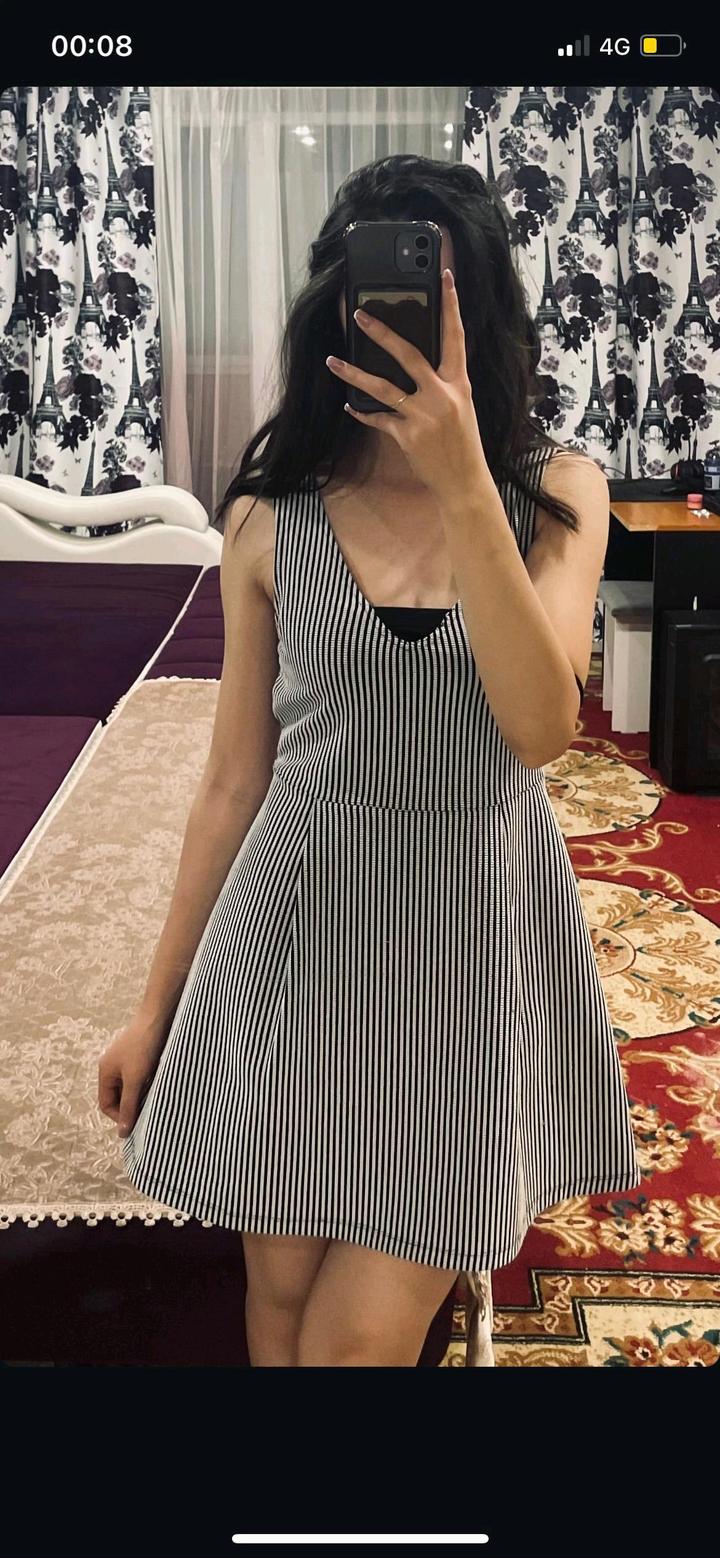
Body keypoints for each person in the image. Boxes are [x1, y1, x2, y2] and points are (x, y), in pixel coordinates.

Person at [98, 154, 641, 1367]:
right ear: (335, 311)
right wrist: (155, 1008)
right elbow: (234, 783)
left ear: (481, 318)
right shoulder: (269, 514)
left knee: (354, 1344)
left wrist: (463, 483)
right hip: (296, 940)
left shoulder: (558, 496)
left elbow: (540, 727)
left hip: (465, 947)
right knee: (282, 1306)